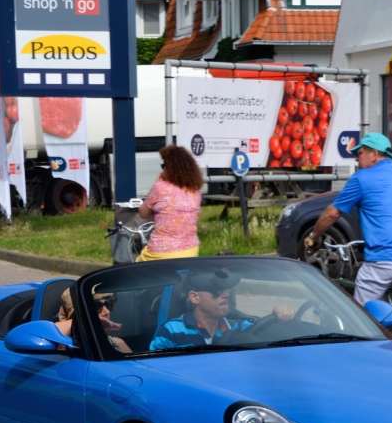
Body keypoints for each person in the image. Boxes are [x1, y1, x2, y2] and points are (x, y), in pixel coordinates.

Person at [303, 132, 392, 305]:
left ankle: (371, 331)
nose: (356, 159)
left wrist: (314, 237)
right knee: (386, 301)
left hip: (386, 260)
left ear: (374, 154)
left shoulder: (362, 178)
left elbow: (332, 213)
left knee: (362, 317)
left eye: (359, 153)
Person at [150, 269, 290, 350]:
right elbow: (152, 370)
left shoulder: (238, 327)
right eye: (217, 290)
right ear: (194, 297)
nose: (226, 294)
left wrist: (279, 314)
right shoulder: (171, 331)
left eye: (226, 289)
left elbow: (265, 331)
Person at [137, 145, 204, 262]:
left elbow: (143, 213)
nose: (162, 170)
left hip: (162, 252)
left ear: (170, 168)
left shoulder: (160, 187)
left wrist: (157, 183)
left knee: (137, 270)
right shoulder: (195, 191)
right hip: (191, 250)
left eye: (164, 166)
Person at [54, 287, 130, 353]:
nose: (107, 312)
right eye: (96, 306)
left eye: (108, 303)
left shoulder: (118, 343)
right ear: (77, 315)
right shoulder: (60, 346)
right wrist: (86, 323)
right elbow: (46, 331)